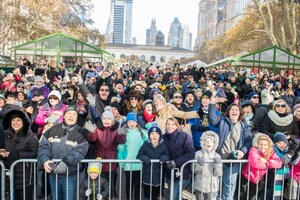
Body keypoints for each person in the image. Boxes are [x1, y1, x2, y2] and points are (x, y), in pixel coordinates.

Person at [37, 106, 89, 200]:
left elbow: (80, 152)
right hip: (53, 174)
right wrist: (45, 160)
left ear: (77, 117)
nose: (71, 116)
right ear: (64, 116)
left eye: (74, 114)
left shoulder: (82, 132)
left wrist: (65, 162)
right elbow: (43, 147)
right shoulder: (52, 130)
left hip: (70, 175)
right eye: (69, 113)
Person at [208, 96, 252, 200]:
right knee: (214, 186)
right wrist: (212, 104)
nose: (234, 111)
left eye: (236, 110)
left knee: (229, 186)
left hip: (233, 161)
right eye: (232, 109)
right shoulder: (222, 121)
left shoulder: (245, 127)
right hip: (219, 159)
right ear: (228, 112)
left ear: (240, 113)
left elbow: (248, 142)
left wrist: (242, 151)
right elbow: (212, 119)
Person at [84, 106, 126, 198]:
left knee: (110, 183)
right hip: (99, 160)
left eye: (109, 119)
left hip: (112, 161)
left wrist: (120, 133)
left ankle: (111, 197)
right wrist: (92, 131)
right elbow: (92, 139)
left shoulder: (115, 129)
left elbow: (120, 141)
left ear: (112, 121)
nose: (106, 120)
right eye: (104, 118)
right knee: (100, 184)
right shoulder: (98, 128)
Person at [0, 109, 38, 200]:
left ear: (23, 122)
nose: (15, 123)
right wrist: (2, 153)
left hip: (26, 177)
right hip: (10, 175)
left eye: (18, 120)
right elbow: (3, 148)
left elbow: (34, 153)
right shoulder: (6, 135)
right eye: (13, 120)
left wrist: (15, 154)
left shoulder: (31, 136)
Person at [240, 133, 282, 200]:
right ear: (257, 144)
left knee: (252, 197)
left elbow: (279, 163)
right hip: (247, 176)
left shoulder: (270, 151)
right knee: (242, 195)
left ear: (268, 145)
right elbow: (255, 163)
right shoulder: (253, 150)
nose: (263, 146)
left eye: (265, 145)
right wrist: (267, 166)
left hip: (258, 178)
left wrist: (266, 162)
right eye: (261, 144)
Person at [163, 116, 195, 200]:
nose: (170, 126)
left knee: (174, 196)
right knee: (173, 195)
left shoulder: (185, 136)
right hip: (169, 172)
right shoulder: (163, 137)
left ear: (177, 125)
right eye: (168, 124)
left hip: (183, 172)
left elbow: (191, 152)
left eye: (173, 124)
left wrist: (176, 162)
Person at [118, 112, 148, 200]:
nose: (131, 123)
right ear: (127, 123)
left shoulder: (142, 132)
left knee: (138, 186)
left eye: (133, 121)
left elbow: (148, 143)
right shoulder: (124, 133)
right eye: (129, 122)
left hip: (139, 164)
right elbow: (121, 148)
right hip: (128, 164)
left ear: (136, 122)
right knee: (129, 185)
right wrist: (121, 161)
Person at [137, 126, 170, 200]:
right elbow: (139, 155)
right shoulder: (145, 145)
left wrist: (163, 158)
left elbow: (167, 155)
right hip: (147, 176)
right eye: (152, 134)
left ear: (160, 135)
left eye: (156, 134)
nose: (154, 136)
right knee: (147, 195)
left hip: (158, 176)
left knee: (155, 195)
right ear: (149, 136)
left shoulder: (163, 145)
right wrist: (145, 158)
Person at [194, 131, 222, 200]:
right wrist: (200, 165)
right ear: (203, 142)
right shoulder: (198, 154)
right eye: (207, 141)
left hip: (212, 187)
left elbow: (218, 173)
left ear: (214, 144)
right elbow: (194, 169)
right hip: (200, 185)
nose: (209, 143)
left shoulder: (217, 155)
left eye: (211, 142)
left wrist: (218, 164)